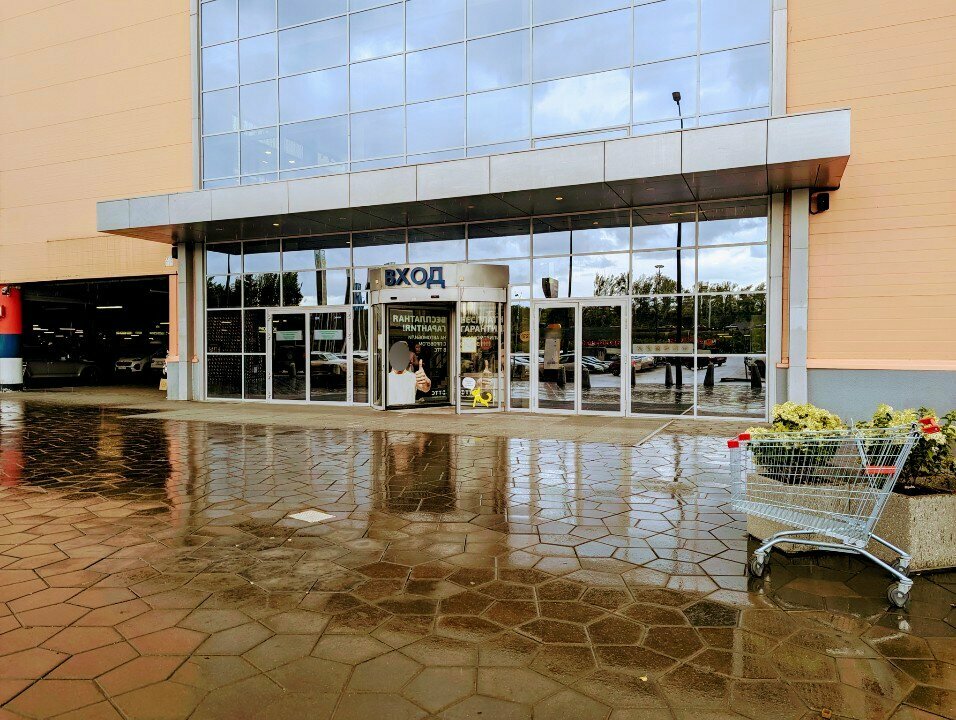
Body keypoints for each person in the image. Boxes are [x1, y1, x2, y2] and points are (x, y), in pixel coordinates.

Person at [387, 340, 430, 406]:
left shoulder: (413, 377)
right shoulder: (386, 378)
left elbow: (425, 388)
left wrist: (427, 383)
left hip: (408, 411)